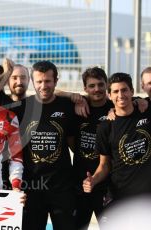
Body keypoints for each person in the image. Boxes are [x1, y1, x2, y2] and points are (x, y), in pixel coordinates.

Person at [83, 73, 151, 220]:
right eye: (115, 91)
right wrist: (93, 180)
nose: (121, 95)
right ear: (109, 95)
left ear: (132, 91)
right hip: (120, 199)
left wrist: (141, 101)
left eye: (124, 90)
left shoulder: (146, 111)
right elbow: (104, 165)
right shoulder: (105, 127)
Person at [21, 61, 77, 230]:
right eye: (39, 81)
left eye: (48, 81)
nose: (43, 86)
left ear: (55, 81)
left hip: (61, 188)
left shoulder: (68, 106)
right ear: (32, 82)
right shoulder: (22, 108)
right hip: (32, 187)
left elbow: (73, 144)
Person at [72, 67, 113, 229]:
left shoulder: (114, 107)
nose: (97, 89)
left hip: (107, 185)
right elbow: (50, 93)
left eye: (100, 85)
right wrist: (73, 97)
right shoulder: (78, 107)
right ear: (85, 89)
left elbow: (134, 100)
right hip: (79, 183)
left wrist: (139, 100)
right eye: (92, 86)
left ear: (106, 85)